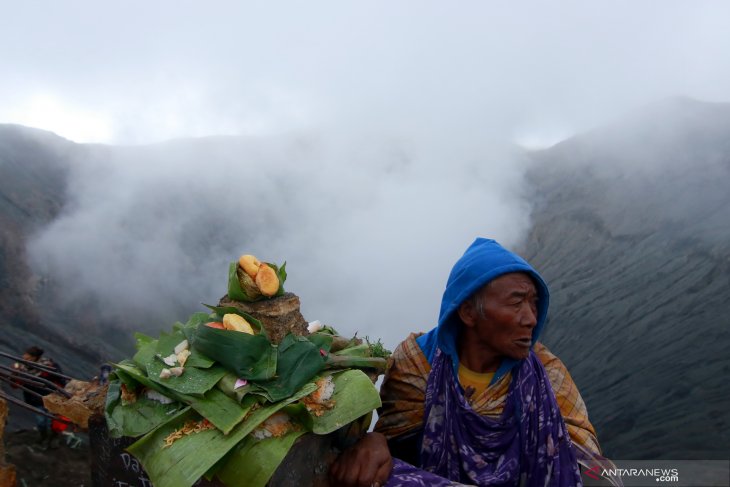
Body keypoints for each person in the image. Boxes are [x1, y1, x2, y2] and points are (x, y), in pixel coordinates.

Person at [330, 238, 617, 486]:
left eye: (534, 303)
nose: (531, 318)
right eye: (517, 302)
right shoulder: (418, 363)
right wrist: (376, 441)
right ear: (467, 312)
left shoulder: (545, 372)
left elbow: (581, 455)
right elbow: (395, 444)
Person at [14, 346, 66, 446]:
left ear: (34, 357)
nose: (23, 357)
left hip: (51, 399)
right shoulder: (22, 369)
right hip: (35, 399)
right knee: (41, 421)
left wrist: (61, 394)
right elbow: (15, 384)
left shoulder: (49, 366)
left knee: (55, 421)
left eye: (27, 355)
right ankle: (43, 437)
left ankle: (53, 439)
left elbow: (61, 381)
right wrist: (15, 373)